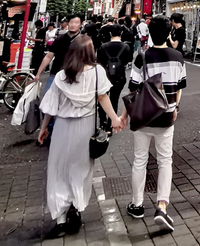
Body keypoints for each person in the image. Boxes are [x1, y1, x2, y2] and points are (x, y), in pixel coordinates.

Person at [38, 35, 124, 238]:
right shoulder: (97, 72)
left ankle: (60, 220)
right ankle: (75, 209)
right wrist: (114, 119)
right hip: (85, 128)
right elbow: (103, 97)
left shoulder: (61, 76)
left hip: (62, 127)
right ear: (89, 52)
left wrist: (44, 127)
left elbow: (51, 105)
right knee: (81, 169)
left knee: (59, 169)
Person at [121, 15, 186, 233]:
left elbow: (133, 88)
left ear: (149, 34)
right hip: (166, 116)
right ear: (169, 34)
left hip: (144, 117)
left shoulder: (143, 57)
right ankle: (161, 207)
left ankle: (137, 205)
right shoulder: (178, 57)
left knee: (140, 160)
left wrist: (123, 115)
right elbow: (180, 86)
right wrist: (175, 107)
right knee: (165, 160)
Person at [34, 15, 83, 92]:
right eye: (71, 22)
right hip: (56, 73)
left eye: (76, 23)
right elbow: (48, 56)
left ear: (80, 25)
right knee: (47, 98)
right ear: (68, 24)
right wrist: (38, 73)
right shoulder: (59, 40)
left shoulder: (84, 41)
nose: (73, 25)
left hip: (75, 76)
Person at [97, 28, 132, 113]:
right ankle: (112, 121)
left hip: (105, 75)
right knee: (114, 98)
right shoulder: (126, 47)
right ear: (121, 33)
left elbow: (99, 61)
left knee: (102, 96)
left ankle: (102, 121)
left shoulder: (103, 46)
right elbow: (127, 61)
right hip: (119, 76)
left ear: (110, 33)